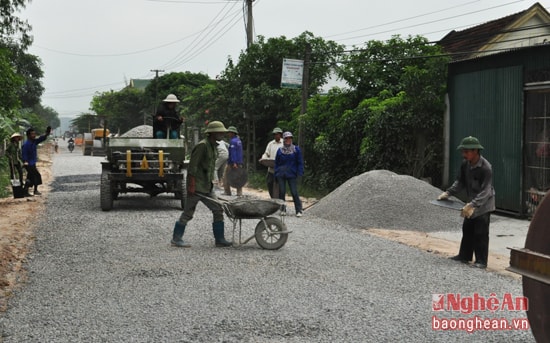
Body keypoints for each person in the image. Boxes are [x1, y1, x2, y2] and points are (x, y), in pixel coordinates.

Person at [171, 121, 232, 248]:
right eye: (220, 132)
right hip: (197, 186)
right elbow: (193, 167)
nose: (222, 134)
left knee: (218, 209)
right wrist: (191, 185)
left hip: (207, 185)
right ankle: (176, 238)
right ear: (212, 133)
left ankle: (220, 239)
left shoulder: (213, 146)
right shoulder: (202, 146)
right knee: (188, 213)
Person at [437, 136, 495, 269]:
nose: (464, 154)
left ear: (475, 151)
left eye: (467, 152)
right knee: (467, 229)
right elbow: (460, 181)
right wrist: (448, 193)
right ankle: (464, 256)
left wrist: (473, 204)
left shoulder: (486, 168)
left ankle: (481, 261)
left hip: (483, 204)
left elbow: (486, 191)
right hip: (471, 202)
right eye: (463, 151)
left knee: (480, 233)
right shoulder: (465, 164)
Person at [275, 131, 304, 217]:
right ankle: (283, 209)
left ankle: (298, 210)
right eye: (286, 138)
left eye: (290, 138)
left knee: (294, 192)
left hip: (292, 174)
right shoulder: (280, 150)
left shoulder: (296, 150)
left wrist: (300, 172)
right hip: (281, 174)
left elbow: (300, 162)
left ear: (291, 139)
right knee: (282, 191)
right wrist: (276, 173)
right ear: (284, 139)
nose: (288, 140)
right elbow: (277, 163)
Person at [22, 126, 52, 196]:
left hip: (33, 163)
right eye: (32, 134)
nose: (34, 135)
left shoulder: (34, 142)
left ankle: (25, 191)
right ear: (28, 135)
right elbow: (24, 154)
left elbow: (41, 138)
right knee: (36, 176)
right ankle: (33, 190)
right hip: (28, 164)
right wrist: (25, 161)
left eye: (34, 134)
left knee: (30, 177)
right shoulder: (26, 145)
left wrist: (47, 133)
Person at [260, 127, 284, 198]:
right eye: (275, 134)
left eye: (277, 134)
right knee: (269, 183)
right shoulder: (271, 144)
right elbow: (266, 153)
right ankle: (273, 199)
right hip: (271, 169)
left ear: (280, 135)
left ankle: (281, 204)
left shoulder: (284, 144)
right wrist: (264, 158)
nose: (276, 136)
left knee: (280, 187)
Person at [223, 126, 244, 196]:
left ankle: (227, 191)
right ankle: (239, 192)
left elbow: (233, 153)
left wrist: (234, 162)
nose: (228, 134)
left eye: (229, 133)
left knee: (226, 176)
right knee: (238, 177)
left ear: (232, 133)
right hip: (239, 162)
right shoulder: (238, 141)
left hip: (232, 163)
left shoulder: (233, 141)